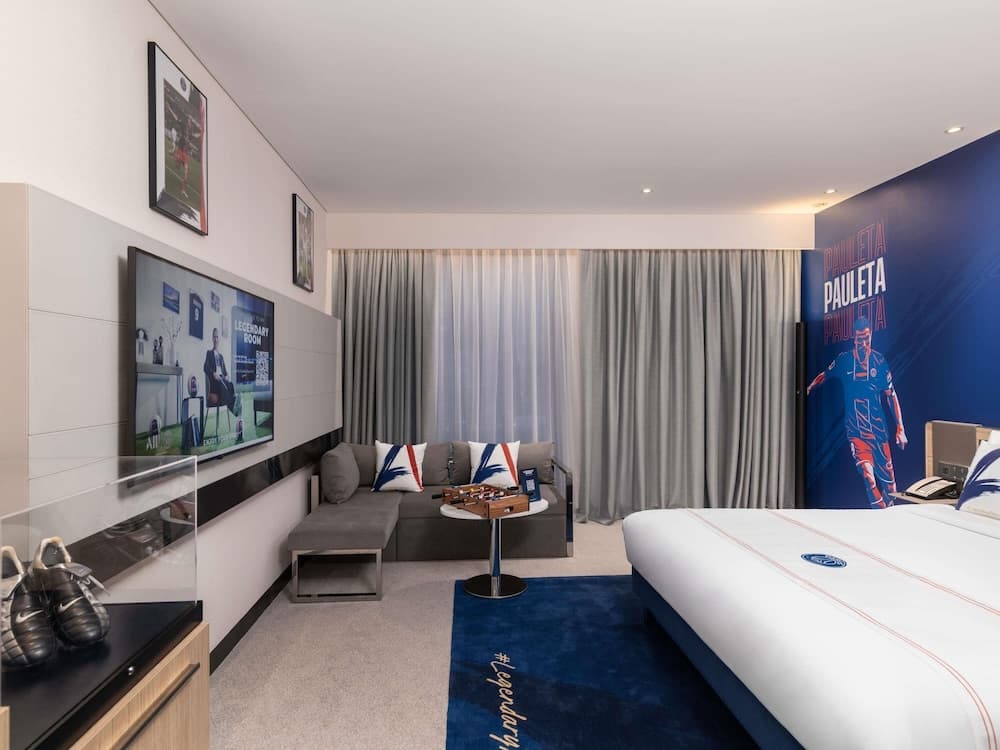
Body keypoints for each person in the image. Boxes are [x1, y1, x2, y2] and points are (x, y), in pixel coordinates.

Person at [807, 317, 907, 508]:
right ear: (854, 339)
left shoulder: (879, 361)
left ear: (871, 337)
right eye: (859, 339)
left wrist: (900, 428)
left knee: (891, 490)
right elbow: (825, 374)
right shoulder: (845, 360)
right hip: (856, 433)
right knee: (868, 478)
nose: (863, 343)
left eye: (866, 339)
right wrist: (810, 386)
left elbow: (891, 395)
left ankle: (888, 511)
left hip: (879, 433)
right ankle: (880, 516)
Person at [204, 328, 239, 416]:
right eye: (214, 337)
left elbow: (225, 372)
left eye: (217, 337)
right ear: (212, 338)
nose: (215, 339)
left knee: (230, 384)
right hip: (214, 382)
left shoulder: (221, 357)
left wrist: (227, 375)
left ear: (219, 339)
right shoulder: (209, 353)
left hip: (222, 380)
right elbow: (205, 367)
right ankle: (233, 407)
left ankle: (233, 405)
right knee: (223, 385)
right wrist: (213, 373)